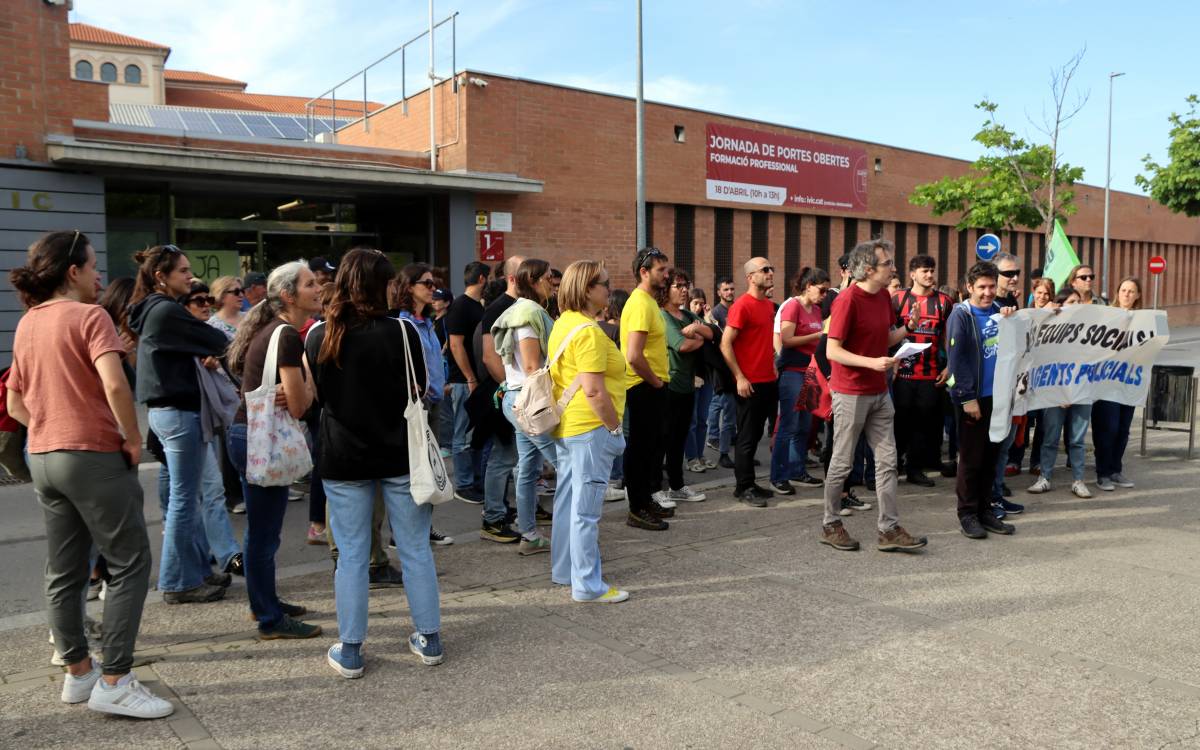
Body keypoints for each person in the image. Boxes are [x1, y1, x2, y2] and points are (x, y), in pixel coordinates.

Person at [7, 231, 174, 719]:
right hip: (92, 454)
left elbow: (15, 402)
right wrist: (132, 438)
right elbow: (115, 384)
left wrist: (49, 425)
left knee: (65, 570)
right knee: (129, 562)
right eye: (94, 265)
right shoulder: (89, 316)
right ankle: (116, 680)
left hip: (44, 455)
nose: (99, 275)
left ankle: (78, 673)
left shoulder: (28, 322)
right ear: (73, 271)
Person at [306, 248, 443, 678]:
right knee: (416, 547)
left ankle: (351, 648)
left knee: (350, 555)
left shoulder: (319, 334)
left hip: (342, 455)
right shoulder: (402, 331)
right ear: (381, 285)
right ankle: (429, 638)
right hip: (400, 453)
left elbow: (318, 399)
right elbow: (420, 387)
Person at [225, 261, 324, 639]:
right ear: (288, 295)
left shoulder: (272, 330)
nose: (318, 288)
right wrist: (308, 385)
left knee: (262, 531)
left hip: (247, 435)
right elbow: (300, 406)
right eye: (309, 284)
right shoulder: (287, 336)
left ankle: (264, 602)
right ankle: (269, 618)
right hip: (258, 438)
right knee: (264, 535)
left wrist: (298, 388)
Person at [127, 245, 231, 603]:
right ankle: (176, 582)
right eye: (183, 271)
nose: (190, 276)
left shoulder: (151, 308)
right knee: (185, 500)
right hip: (178, 412)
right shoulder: (166, 310)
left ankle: (196, 571)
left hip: (167, 412)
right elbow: (217, 339)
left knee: (184, 498)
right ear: (161, 276)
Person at [819, 240, 927, 553]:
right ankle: (830, 523)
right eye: (888, 263)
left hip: (879, 391)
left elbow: (885, 339)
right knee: (842, 462)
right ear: (868, 269)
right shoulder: (847, 300)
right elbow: (832, 350)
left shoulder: (882, 296)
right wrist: (871, 363)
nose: (894, 267)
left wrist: (908, 328)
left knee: (888, 462)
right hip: (851, 392)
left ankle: (889, 529)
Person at [548, 260, 629, 603]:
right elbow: (595, 391)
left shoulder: (564, 323)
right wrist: (614, 428)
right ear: (587, 289)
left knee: (569, 502)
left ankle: (566, 570)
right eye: (604, 284)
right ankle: (587, 584)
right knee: (586, 510)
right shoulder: (589, 332)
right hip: (590, 427)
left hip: (569, 426)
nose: (610, 289)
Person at [492, 258, 560, 554]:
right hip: (528, 400)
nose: (552, 283)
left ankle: (529, 534)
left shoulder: (523, 310)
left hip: (520, 398)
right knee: (565, 464)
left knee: (528, 468)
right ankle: (571, 536)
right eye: (548, 277)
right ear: (532, 281)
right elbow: (532, 367)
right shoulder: (528, 313)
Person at [946, 262, 1016, 539]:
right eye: (981, 287)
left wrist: (1012, 318)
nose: (987, 292)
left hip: (997, 398)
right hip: (973, 400)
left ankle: (986, 510)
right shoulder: (961, 315)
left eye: (991, 286)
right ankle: (967, 514)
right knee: (971, 459)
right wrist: (967, 398)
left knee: (991, 458)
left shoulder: (1001, 311)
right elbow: (957, 359)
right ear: (969, 287)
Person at [179, 282, 244, 580]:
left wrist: (215, 363)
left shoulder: (205, 333)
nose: (206, 304)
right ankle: (205, 558)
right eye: (198, 300)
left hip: (206, 417)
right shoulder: (178, 336)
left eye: (208, 299)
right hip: (184, 422)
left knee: (207, 491)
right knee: (193, 496)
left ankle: (220, 555)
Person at [393, 264, 455, 546]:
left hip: (433, 400)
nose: (433, 289)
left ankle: (423, 526)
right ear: (409, 287)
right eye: (426, 284)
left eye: (434, 284)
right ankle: (404, 532)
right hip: (416, 404)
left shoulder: (427, 321)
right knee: (415, 468)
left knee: (430, 466)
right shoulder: (401, 322)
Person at [621, 247, 674, 530]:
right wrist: (655, 381)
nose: (666, 275)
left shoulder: (649, 302)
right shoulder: (640, 303)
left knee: (650, 448)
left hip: (651, 384)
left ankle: (644, 499)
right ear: (644, 272)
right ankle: (637, 508)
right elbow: (633, 355)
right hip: (643, 385)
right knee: (641, 449)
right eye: (660, 270)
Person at [890, 255, 954, 488]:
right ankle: (893, 466)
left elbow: (948, 336)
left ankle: (914, 470)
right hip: (901, 375)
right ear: (912, 274)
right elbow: (887, 332)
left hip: (930, 375)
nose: (929, 275)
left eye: (932, 270)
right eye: (924, 271)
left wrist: (949, 366)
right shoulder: (897, 299)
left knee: (923, 425)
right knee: (898, 423)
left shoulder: (944, 302)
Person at [720, 257, 778, 505]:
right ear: (750, 277)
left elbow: (762, 341)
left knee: (755, 437)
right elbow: (725, 344)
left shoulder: (768, 305)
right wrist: (740, 377)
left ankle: (750, 483)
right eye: (764, 269)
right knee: (746, 438)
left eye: (771, 269)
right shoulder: (742, 306)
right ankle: (743, 487)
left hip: (768, 380)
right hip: (749, 383)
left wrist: (772, 362)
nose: (770, 272)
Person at [477, 256, 526, 543]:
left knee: (520, 457)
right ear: (512, 278)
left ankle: (519, 510)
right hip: (506, 396)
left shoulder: (524, 306)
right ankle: (493, 517)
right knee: (503, 456)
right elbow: (489, 356)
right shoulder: (498, 308)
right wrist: (510, 391)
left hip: (518, 395)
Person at [1028, 289, 1093, 498]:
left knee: (1077, 440)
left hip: (1081, 391)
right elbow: (1042, 359)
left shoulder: (1089, 329)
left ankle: (1079, 480)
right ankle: (1044, 477)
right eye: (1072, 301)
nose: (1076, 305)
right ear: (1061, 304)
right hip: (1055, 392)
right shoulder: (1050, 329)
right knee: (1050, 437)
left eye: (1078, 301)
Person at [771, 267, 829, 493]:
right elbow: (786, 339)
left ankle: (797, 471)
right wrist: (817, 335)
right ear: (808, 286)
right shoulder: (792, 306)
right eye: (822, 290)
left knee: (805, 425)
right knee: (789, 424)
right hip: (793, 371)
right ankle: (778, 476)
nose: (824, 295)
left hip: (811, 371)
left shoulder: (816, 310)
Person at [657, 268, 711, 503]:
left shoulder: (687, 314)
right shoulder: (663, 316)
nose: (684, 290)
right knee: (664, 439)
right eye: (678, 286)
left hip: (688, 386)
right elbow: (681, 345)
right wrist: (700, 338)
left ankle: (677, 486)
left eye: (685, 285)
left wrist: (697, 329)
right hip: (669, 386)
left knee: (679, 439)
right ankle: (656, 488)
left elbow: (712, 333)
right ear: (665, 289)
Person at [1092, 276, 1143, 492]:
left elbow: (1159, 341)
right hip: (1106, 383)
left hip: (1129, 384)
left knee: (1123, 430)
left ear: (1138, 295)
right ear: (1117, 293)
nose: (1126, 294)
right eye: (1123, 290)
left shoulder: (1145, 319)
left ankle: (1115, 469)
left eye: (1131, 291)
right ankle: (1103, 473)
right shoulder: (1106, 316)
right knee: (1108, 428)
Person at [445, 261, 489, 503]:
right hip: (464, 381)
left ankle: (474, 481)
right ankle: (463, 484)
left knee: (475, 434)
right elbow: (455, 344)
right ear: (481, 279)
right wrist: (470, 377)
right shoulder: (461, 306)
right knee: (462, 434)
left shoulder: (476, 305)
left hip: (475, 380)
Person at [989, 252, 1026, 518]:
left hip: (1014, 384)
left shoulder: (1013, 301)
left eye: (1017, 273)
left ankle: (997, 491)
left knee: (1007, 442)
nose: (1014, 278)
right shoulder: (988, 305)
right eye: (1008, 273)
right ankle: (989, 498)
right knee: (994, 444)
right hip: (992, 387)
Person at [684, 288, 717, 473]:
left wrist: (709, 318)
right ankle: (691, 457)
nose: (698, 307)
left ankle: (700, 454)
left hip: (707, 375)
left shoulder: (705, 321)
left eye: (701, 303)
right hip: (692, 375)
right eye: (695, 303)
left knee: (703, 419)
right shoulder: (685, 320)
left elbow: (718, 337)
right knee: (693, 419)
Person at [706, 277, 736, 467]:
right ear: (719, 292)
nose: (729, 292)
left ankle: (732, 446)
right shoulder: (716, 313)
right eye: (726, 289)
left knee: (730, 412)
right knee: (726, 412)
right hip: (723, 370)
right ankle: (723, 452)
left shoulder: (736, 309)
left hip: (737, 367)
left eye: (731, 289)